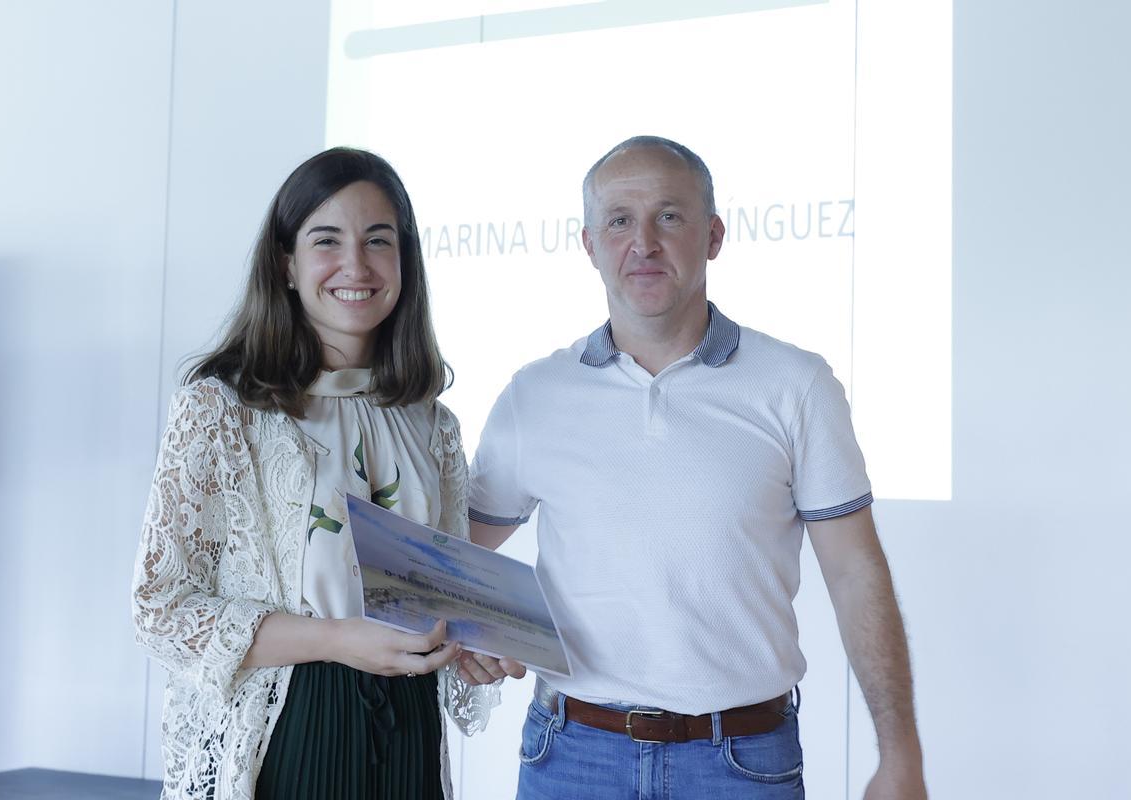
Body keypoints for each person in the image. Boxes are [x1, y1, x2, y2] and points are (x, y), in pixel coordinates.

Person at [458, 136, 927, 799]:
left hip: (740, 764)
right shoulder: (534, 396)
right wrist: (473, 631)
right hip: (571, 757)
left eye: (669, 216)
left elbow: (856, 573)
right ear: (590, 244)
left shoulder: (795, 385)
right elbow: (456, 557)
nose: (643, 242)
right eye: (619, 219)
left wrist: (899, 754)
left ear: (713, 235)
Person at [131, 147, 499, 800]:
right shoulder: (219, 410)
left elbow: (440, 597)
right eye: (326, 240)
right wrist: (335, 640)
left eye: (378, 241)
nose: (355, 265)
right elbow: (162, 609)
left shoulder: (432, 424)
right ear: (287, 265)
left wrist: (473, 644)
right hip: (289, 728)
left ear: (405, 263)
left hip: (409, 726)